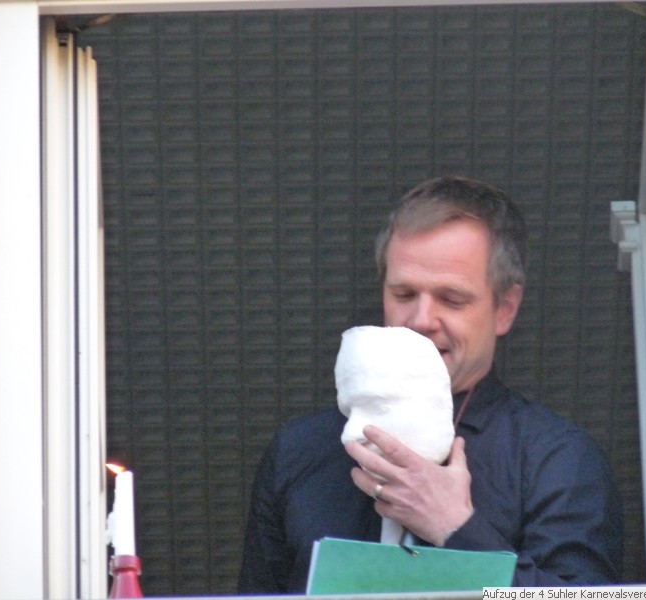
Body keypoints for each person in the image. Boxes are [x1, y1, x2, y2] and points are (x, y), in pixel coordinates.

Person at [237, 175, 624, 593]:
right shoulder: (298, 451)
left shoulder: (558, 458)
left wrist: (455, 528)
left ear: (505, 309)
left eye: (452, 299)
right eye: (404, 294)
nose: (421, 320)